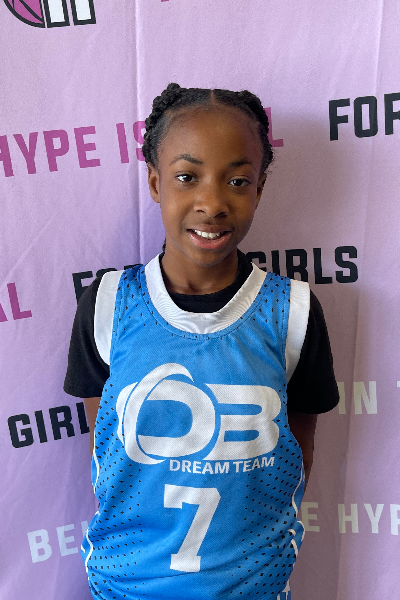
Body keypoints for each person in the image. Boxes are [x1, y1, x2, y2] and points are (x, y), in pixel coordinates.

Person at [64, 83, 339, 600]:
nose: (211, 203)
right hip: (127, 584)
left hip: (252, 586)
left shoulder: (293, 312)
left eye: (237, 181)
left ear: (259, 189)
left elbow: (298, 443)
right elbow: (107, 446)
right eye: (187, 177)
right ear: (155, 181)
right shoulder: (108, 305)